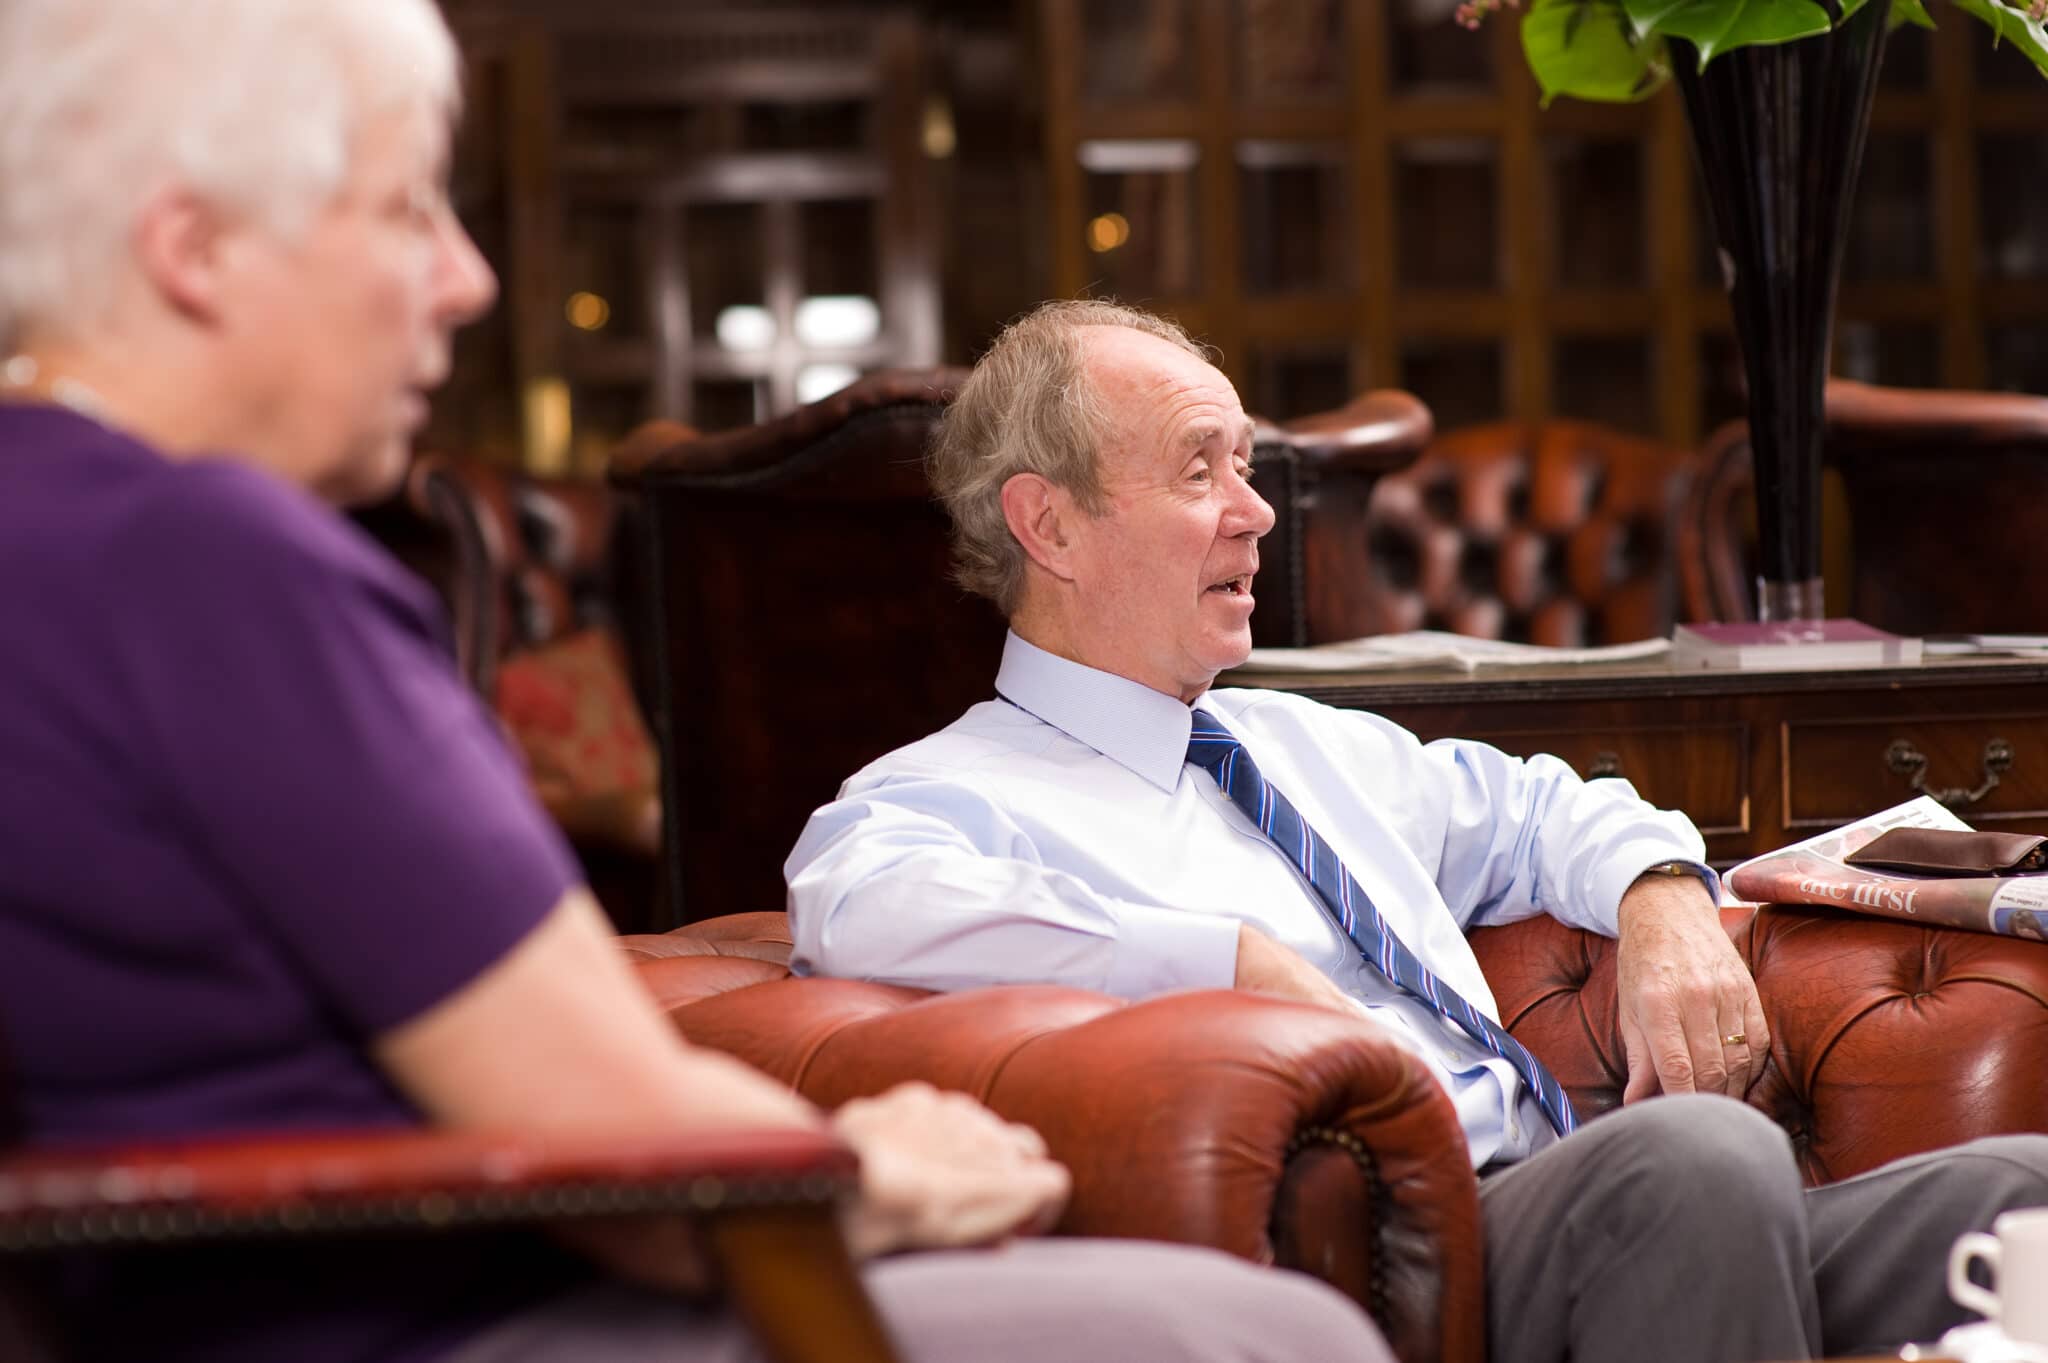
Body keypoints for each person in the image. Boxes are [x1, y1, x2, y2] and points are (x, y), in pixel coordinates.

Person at [0, 7, 1395, 1363]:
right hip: (458, 1320)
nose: (468, 278)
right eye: (406, 208)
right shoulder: (216, 573)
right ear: (195, 249)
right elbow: (636, 1157)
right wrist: (867, 1165)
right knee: (1283, 1331)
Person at [786, 297, 2048, 1363]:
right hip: (1387, 1257)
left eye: (1243, 465)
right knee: (1698, 1160)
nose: (1255, 512)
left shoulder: (1298, 742)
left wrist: (1661, 893)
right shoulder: (938, 799)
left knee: (2012, 1202)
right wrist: (1223, 962)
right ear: (1045, 525)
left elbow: (1550, 806)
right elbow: (858, 905)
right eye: (1196, 470)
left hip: (1566, 1197)